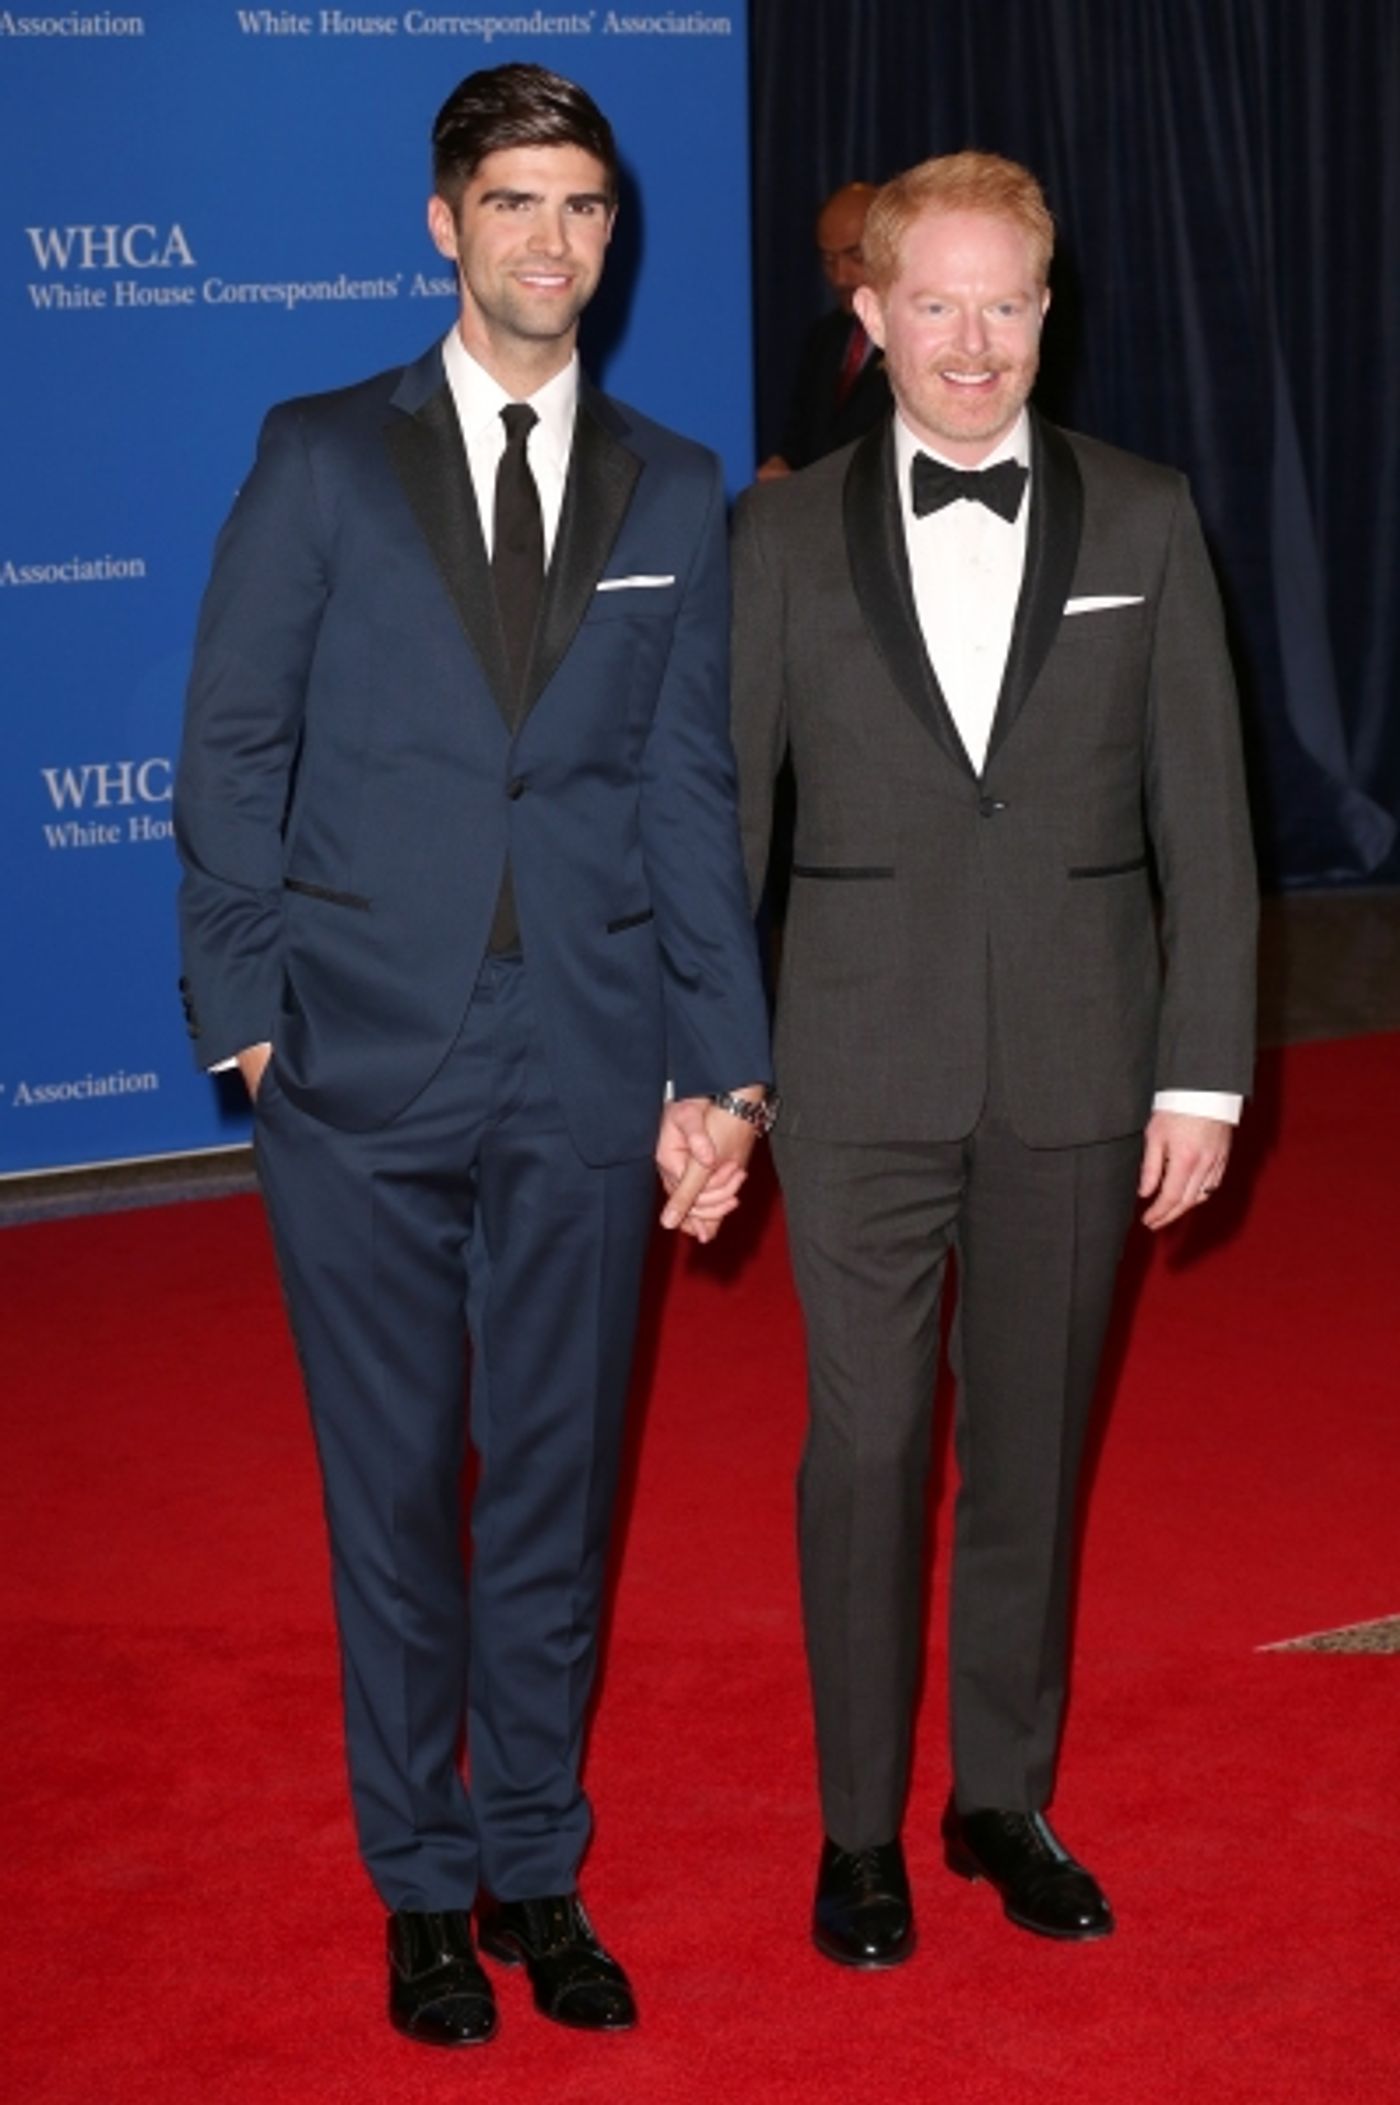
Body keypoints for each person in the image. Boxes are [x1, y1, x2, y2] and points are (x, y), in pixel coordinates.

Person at [175, 62, 773, 2047]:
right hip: (351, 1058)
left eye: (582, 207)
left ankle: (532, 1853)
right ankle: (419, 1885)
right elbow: (233, 749)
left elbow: (688, 796)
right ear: (444, 223)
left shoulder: (676, 485)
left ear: (615, 234)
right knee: (394, 1489)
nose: (549, 241)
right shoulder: (324, 454)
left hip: (590, 1060)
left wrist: (727, 1062)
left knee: (556, 1489)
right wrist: (245, 1019)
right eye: (512, 202)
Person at [731, 151, 1256, 1967]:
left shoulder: (1145, 515)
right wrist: (715, 1068)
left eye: (1005, 306)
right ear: (868, 318)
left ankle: (999, 1799)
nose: (973, 345)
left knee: (1029, 1456)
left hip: (1080, 1061)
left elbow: (1210, 813)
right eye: (932, 306)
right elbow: (727, 822)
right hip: (856, 1061)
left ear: (1051, 313)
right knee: (866, 1451)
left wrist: (1202, 1075)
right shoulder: (777, 539)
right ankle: (859, 1828)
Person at [757, 181, 891, 479]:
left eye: (855, 257)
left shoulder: (919, 340)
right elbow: (799, 442)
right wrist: (781, 466)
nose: (840, 277)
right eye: (829, 261)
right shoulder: (824, 338)